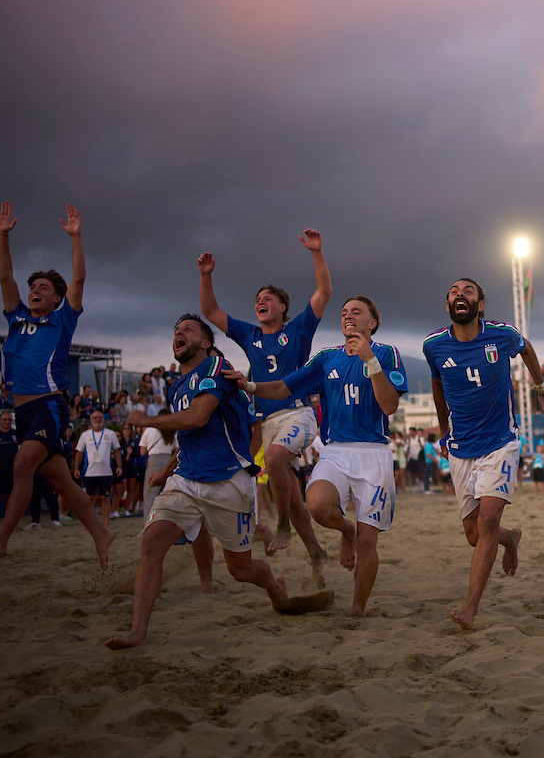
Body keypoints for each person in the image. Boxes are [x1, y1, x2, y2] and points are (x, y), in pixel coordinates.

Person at [107, 315, 330, 649]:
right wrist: (168, 471)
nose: (178, 332)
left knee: (239, 570)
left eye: (187, 329)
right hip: (186, 480)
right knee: (152, 544)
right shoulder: (176, 385)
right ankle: (139, 630)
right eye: (175, 330)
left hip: (227, 481)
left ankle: (274, 584)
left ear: (206, 343)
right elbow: (189, 434)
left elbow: (198, 417)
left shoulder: (216, 368)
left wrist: (145, 420)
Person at [231, 296, 407, 615]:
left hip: (374, 455)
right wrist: (249, 386)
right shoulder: (327, 357)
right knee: (317, 506)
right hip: (336, 451)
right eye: (344, 313)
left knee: (369, 543)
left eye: (357, 312)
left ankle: (356, 610)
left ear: (373, 323)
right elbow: (284, 387)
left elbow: (389, 405)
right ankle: (346, 530)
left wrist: (371, 361)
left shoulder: (387, 353)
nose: (348, 316)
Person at [0, 202, 114, 566]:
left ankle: (1, 539)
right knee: (61, 481)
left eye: (43, 287)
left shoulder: (63, 320)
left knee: (23, 466)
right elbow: (5, 277)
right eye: (33, 286)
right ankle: (102, 534)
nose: (35, 290)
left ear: (56, 297)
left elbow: (79, 279)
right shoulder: (17, 316)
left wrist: (76, 237)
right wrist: (3, 236)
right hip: (23, 411)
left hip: (50, 406)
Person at [198, 230, 331, 584]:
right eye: (258, 298)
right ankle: (317, 552)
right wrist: (206, 275)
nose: (261, 301)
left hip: (299, 413)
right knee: (292, 497)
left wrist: (316, 253)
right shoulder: (248, 334)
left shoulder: (299, 330)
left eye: (268, 297)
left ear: (282, 307)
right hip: (266, 420)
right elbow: (209, 311)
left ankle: (282, 528)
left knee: (272, 461)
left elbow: (324, 293)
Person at [422, 278, 544, 629]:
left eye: (468, 291)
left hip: (500, 442)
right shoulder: (433, 345)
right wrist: (442, 427)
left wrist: (540, 387)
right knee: (474, 534)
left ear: (480, 304)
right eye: (453, 291)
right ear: (448, 305)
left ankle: (470, 606)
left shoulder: (502, 334)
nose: (459, 294)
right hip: (461, 448)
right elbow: (437, 384)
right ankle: (511, 540)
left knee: (489, 521)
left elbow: (526, 350)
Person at [73, 411, 123, 527]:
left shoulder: (110, 434)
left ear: (103, 419)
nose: (97, 420)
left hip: (106, 472)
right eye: (95, 418)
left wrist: (119, 466)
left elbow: (116, 451)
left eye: (100, 418)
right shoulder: (85, 435)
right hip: (89, 472)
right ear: (91, 420)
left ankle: (106, 524)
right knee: (88, 499)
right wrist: (76, 468)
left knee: (105, 499)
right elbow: (79, 453)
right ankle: (88, 525)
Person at [138, 411, 177, 522]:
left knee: (150, 495)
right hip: (168, 461)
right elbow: (177, 448)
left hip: (153, 461)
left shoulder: (149, 430)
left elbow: (142, 451)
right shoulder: (172, 429)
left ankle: (148, 523)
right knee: (168, 494)